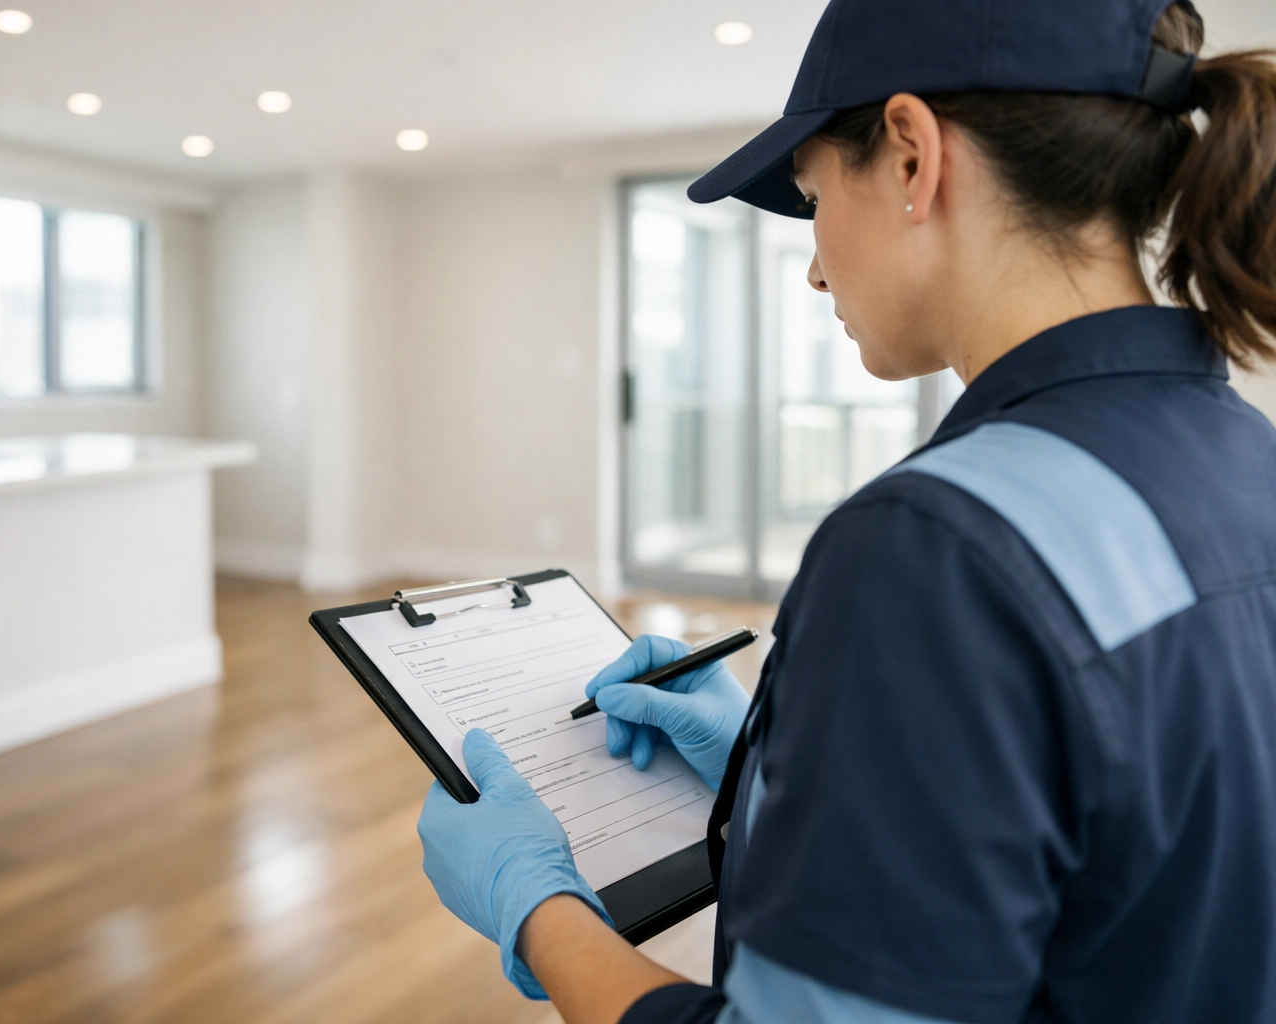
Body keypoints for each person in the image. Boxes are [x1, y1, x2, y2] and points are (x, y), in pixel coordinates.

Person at [417, 0, 1276, 1020]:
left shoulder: (936, 552)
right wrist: (782, 770)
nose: (818, 264)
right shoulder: (1244, 456)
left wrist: (538, 905)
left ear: (912, 155)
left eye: (815, 193)